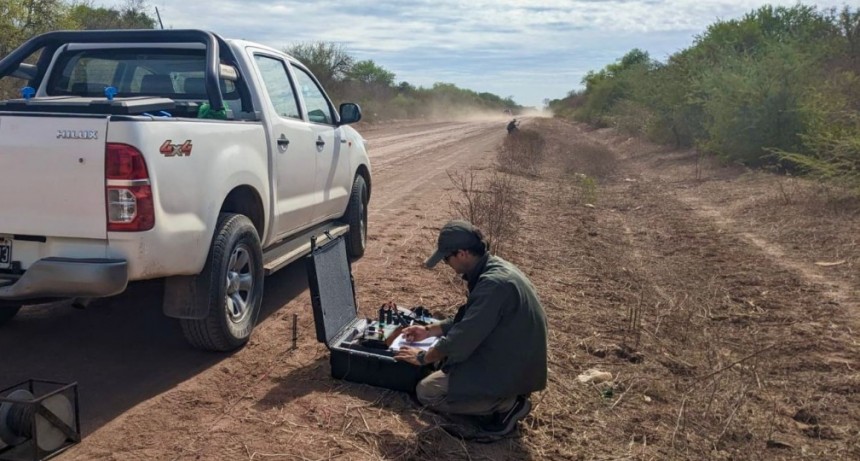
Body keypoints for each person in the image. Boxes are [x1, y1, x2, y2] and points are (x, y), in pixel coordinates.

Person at [395, 220, 548, 438]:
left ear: (463, 254)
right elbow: (469, 319)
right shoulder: (493, 269)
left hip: (512, 367)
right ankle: (499, 395)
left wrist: (422, 357)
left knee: (427, 392)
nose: (447, 264)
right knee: (442, 360)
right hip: (510, 355)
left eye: (447, 258)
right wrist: (429, 331)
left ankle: (507, 404)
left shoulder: (493, 284)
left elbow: (463, 338)